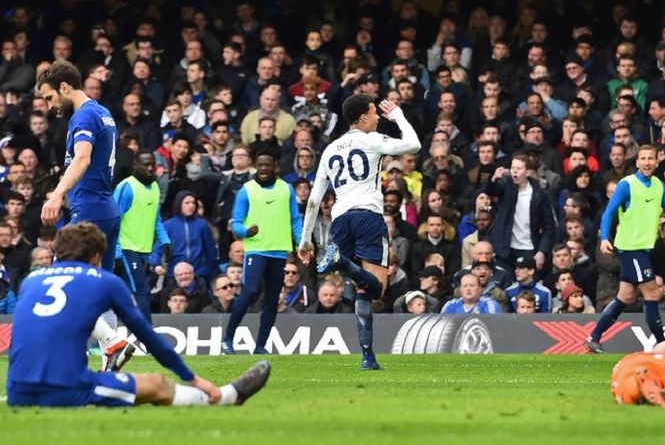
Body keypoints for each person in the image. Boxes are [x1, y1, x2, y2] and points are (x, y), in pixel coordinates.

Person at [6, 222, 270, 407]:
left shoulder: (32, 280)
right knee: (157, 385)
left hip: (16, 389)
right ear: (97, 256)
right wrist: (192, 378)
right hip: (66, 390)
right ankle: (226, 397)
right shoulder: (103, 280)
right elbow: (147, 336)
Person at [298, 95, 420, 370]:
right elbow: (414, 144)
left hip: (340, 221)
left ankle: (368, 357)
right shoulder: (372, 139)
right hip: (368, 216)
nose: (378, 117)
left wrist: (306, 240)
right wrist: (398, 116)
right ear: (363, 118)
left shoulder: (329, 150)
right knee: (377, 289)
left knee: (361, 286)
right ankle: (340, 261)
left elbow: (315, 199)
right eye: (375, 113)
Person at [35, 59, 130, 371]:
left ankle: (112, 343)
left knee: (66, 281)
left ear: (64, 87)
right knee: (101, 285)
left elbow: (83, 158)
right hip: (106, 208)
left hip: (89, 210)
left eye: (49, 97)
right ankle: (110, 353)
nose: (49, 105)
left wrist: (57, 193)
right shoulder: (103, 112)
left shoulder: (84, 116)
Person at [585, 145, 665, 353]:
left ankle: (594, 337)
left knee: (626, 296)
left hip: (642, 249)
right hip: (631, 248)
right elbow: (608, 213)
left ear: (657, 161)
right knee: (652, 293)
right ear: (637, 162)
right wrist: (605, 237)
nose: (647, 162)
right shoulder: (627, 185)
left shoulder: (658, 185)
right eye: (643, 158)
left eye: (651, 158)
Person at [222, 149, 302, 355]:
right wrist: (245, 231)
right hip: (256, 250)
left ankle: (260, 346)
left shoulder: (286, 189)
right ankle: (228, 339)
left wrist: (301, 242)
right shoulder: (246, 191)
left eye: (268, 164)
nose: (264, 169)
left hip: (279, 251)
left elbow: (295, 219)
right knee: (250, 291)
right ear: (255, 165)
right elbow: (235, 223)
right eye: (260, 165)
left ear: (275, 165)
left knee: (272, 299)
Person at [113, 151, 170, 322]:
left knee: (118, 293)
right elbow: (113, 219)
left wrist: (165, 241)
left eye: (152, 164)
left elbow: (156, 219)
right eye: (145, 164)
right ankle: (148, 339)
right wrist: (116, 251)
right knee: (142, 290)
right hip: (126, 248)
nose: (150, 168)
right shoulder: (127, 187)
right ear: (135, 165)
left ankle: (107, 336)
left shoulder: (155, 187)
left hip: (143, 250)